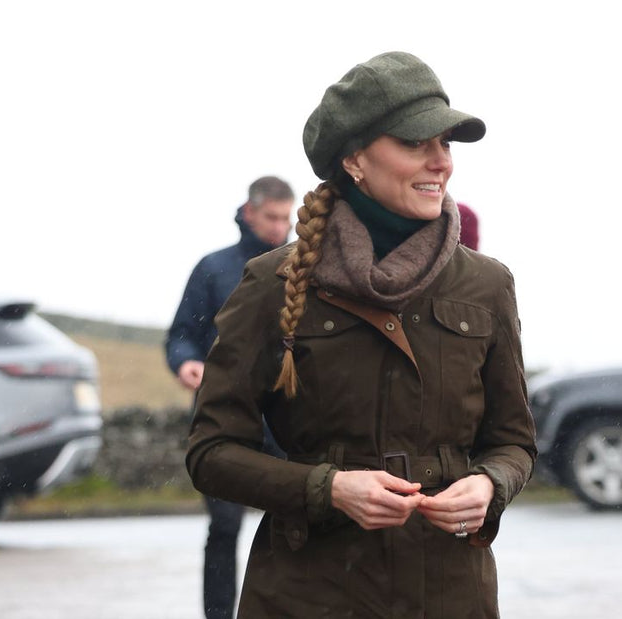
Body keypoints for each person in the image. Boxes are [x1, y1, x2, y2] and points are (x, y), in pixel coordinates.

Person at [184, 51, 536, 617]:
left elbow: (513, 441)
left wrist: (491, 484)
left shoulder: (486, 284)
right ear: (354, 158)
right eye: (416, 143)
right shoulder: (270, 283)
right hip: (308, 592)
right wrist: (328, 490)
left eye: (445, 144)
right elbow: (211, 453)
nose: (439, 162)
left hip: (448, 592)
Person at [166, 175, 294, 619]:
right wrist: (185, 362)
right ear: (250, 211)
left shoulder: (302, 268)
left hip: (287, 417)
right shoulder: (213, 268)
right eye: (272, 217)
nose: (279, 227)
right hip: (222, 415)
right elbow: (181, 334)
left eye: (286, 218)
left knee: (295, 518)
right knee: (223, 526)